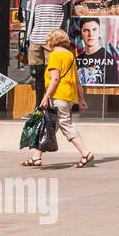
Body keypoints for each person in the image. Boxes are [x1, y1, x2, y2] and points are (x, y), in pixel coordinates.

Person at [26, 28, 94, 168]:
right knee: (50, 125)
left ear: (51, 43)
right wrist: (81, 100)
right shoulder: (70, 55)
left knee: (66, 124)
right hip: (68, 96)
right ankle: (36, 157)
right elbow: (77, 81)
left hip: (58, 96)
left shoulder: (55, 56)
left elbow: (55, 79)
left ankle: (85, 153)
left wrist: (46, 97)